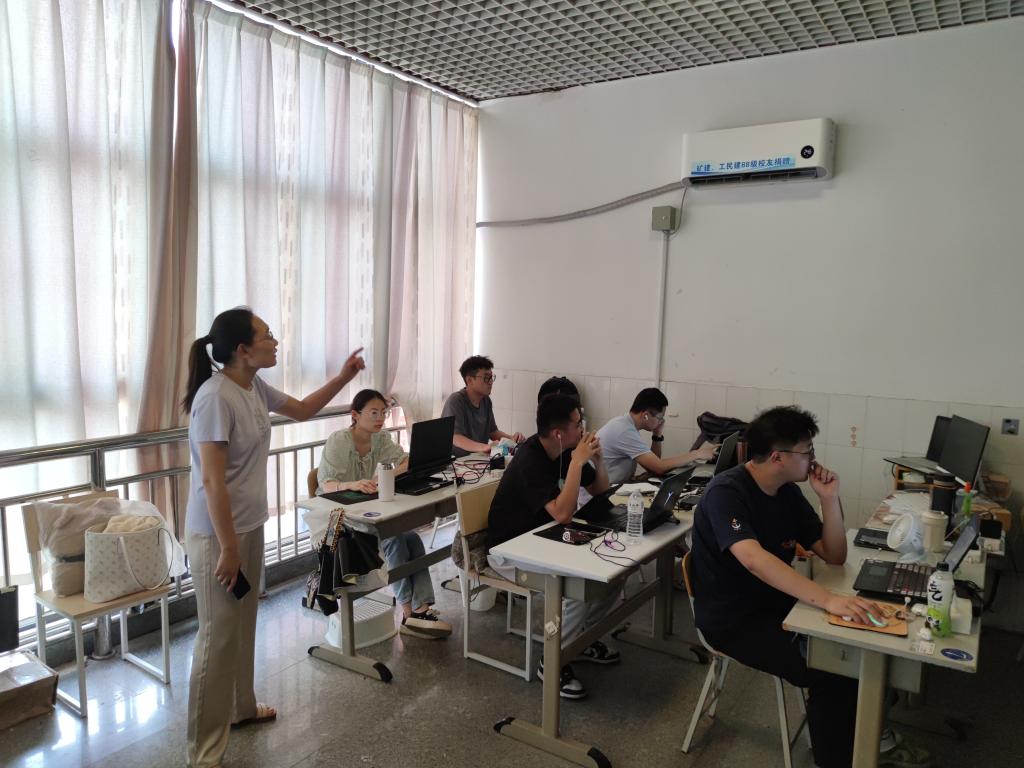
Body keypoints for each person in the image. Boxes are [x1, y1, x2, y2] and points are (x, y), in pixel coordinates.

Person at [690, 405, 931, 768]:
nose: (813, 460)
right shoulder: (727, 492)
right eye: (807, 452)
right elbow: (753, 559)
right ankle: (836, 758)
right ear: (778, 456)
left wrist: (829, 499)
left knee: (863, 647)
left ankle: (870, 737)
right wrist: (828, 600)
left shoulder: (786, 491)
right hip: (734, 621)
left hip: (780, 605)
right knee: (835, 673)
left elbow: (834, 554)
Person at [182, 307, 365, 768]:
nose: (275, 341)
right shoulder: (214, 398)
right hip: (216, 537)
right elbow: (212, 482)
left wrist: (344, 377)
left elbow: (302, 410)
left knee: (243, 625)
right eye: (267, 335)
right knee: (216, 638)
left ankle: (241, 708)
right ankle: (203, 751)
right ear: (243, 350)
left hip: (247, 526)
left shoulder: (253, 386)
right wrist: (227, 548)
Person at [486, 393, 620, 700]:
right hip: (509, 550)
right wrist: (577, 463)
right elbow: (563, 513)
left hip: (545, 538)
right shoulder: (530, 460)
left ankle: (581, 640)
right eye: (577, 423)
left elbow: (599, 489)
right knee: (576, 586)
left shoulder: (566, 450)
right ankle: (553, 661)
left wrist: (597, 460)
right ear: (559, 433)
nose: (583, 428)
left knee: (613, 572)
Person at [317, 389, 452, 639]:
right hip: (337, 518)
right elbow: (326, 485)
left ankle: (420, 609)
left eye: (384, 412)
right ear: (355, 415)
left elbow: (406, 461)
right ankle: (409, 612)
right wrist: (353, 484)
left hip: (366, 511)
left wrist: (384, 476)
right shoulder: (339, 441)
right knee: (395, 539)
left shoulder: (380, 438)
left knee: (412, 538)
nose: (380, 418)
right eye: (374, 413)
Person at [595, 387, 717, 484]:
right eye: (660, 417)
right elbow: (658, 467)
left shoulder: (627, 425)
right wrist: (696, 454)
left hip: (615, 487)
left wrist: (657, 435)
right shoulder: (624, 431)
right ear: (646, 415)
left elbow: (653, 465)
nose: (661, 421)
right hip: (601, 495)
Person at [441, 355, 523, 456]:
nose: (491, 382)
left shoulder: (486, 401)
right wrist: (484, 447)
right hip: (456, 460)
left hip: (476, 458)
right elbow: (456, 437)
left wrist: (511, 439)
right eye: (486, 378)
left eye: (491, 377)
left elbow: (492, 431)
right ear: (469, 380)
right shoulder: (456, 401)